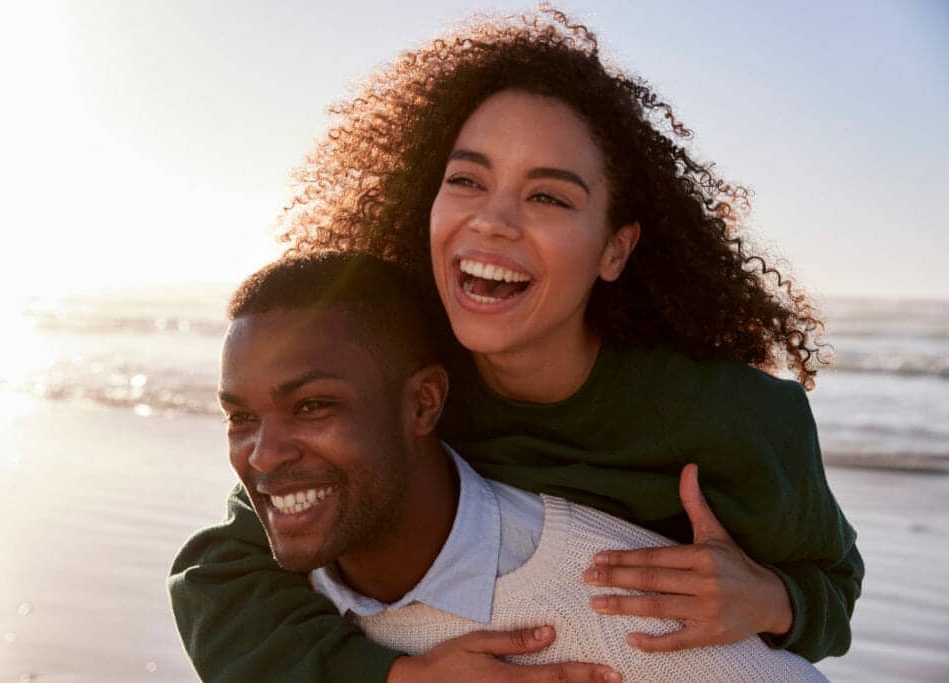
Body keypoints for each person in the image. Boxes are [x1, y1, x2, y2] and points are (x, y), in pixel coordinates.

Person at [168, 7, 862, 682]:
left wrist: (775, 598)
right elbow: (221, 572)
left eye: (549, 198)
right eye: (466, 180)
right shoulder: (400, 379)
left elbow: (833, 581)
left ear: (615, 249)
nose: (492, 220)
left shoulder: (734, 416)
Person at [216, 252, 826, 682]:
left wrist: (783, 600)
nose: (264, 455)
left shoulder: (630, 618)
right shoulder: (273, 594)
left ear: (425, 403)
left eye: (313, 406)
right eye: (241, 417)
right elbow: (210, 573)